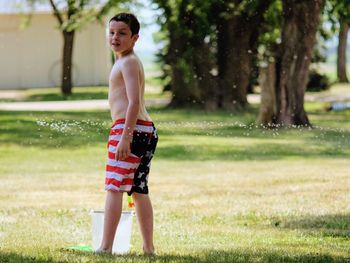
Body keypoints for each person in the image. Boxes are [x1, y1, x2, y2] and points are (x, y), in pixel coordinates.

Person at [97, 13, 158, 255]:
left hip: (130, 129)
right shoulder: (125, 60)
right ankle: (148, 249)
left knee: (114, 187)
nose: (115, 37)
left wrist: (125, 136)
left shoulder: (129, 62)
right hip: (144, 130)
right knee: (139, 189)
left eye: (122, 33)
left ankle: (105, 247)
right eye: (112, 32)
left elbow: (133, 102)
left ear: (135, 38)